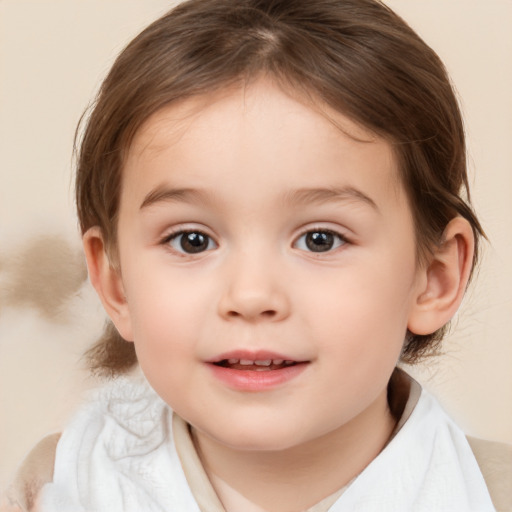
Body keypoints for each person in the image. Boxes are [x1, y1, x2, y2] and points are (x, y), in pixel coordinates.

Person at [4, 0, 510, 510]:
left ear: (436, 277)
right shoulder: (61, 485)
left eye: (320, 239)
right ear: (115, 283)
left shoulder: (490, 491)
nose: (250, 296)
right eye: (191, 240)